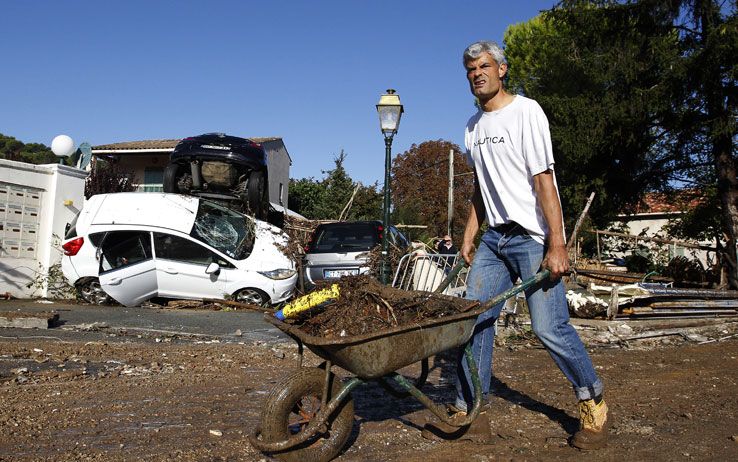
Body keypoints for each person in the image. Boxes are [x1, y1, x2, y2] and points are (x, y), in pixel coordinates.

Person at [453, 40, 609, 449]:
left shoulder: (527, 111)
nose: (477, 74)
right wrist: (471, 232)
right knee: (475, 318)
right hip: (495, 238)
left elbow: (544, 181)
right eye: (470, 70)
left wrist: (557, 245)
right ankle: (475, 409)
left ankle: (592, 400)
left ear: (502, 70)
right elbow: (479, 187)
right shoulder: (472, 126)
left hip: (531, 238)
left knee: (548, 326)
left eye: (484, 66)